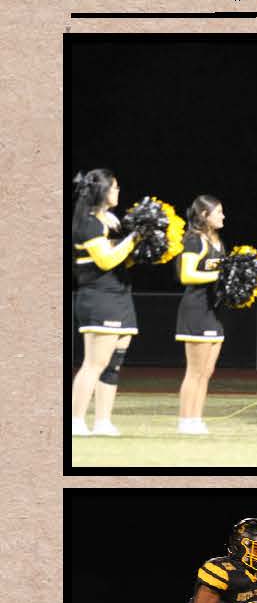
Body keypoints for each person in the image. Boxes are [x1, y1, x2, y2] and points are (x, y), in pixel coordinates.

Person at [70, 168, 141, 437]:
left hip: (119, 296)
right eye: (114, 187)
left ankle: (103, 421)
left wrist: (141, 243)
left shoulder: (109, 220)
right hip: (99, 298)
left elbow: (121, 258)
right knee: (94, 363)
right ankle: (75, 420)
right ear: (102, 191)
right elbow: (106, 260)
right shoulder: (88, 222)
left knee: (114, 363)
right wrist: (132, 239)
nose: (118, 191)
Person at [173, 195, 226, 437]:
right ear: (204, 215)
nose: (223, 216)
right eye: (218, 212)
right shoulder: (194, 240)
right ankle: (185, 420)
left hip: (213, 311)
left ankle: (196, 419)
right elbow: (187, 275)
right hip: (195, 310)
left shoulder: (218, 241)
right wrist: (219, 277)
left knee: (207, 371)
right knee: (194, 371)